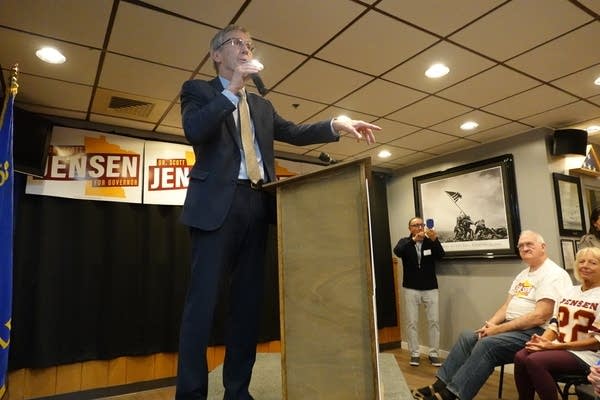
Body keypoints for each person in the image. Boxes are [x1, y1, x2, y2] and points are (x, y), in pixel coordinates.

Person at [175, 25, 380, 400]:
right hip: (215, 209)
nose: (245, 48)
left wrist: (336, 124)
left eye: (250, 45)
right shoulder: (198, 91)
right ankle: (190, 394)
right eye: (237, 42)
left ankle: (237, 391)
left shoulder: (262, 106)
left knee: (247, 308)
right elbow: (194, 130)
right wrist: (231, 88)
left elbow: (296, 132)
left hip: (257, 205)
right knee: (200, 308)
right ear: (216, 55)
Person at [411, 230, 572, 400]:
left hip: (538, 332)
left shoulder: (553, 274)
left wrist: (497, 330)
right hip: (513, 328)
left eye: (529, 244)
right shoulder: (523, 274)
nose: (524, 248)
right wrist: (489, 325)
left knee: (488, 344)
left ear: (542, 247)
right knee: (468, 336)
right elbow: (506, 306)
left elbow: (540, 316)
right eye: (521, 246)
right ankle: (440, 384)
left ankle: (452, 395)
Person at [513, 246, 600, 400]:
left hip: (588, 356)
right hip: (559, 347)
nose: (585, 266)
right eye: (581, 262)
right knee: (521, 356)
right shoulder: (568, 291)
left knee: (535, 361)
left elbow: (596, 343)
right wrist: (542, 341)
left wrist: (555, 346)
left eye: (593, 263)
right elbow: (555, 325)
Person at [393, 217, 445, 367]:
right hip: (411, 288)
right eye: (415, 225)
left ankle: (433, 353)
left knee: (434, 321)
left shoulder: (430, 241)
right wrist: (413, 241)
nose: (419, 227)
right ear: (410, 228)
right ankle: (414, 353)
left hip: (430, 288)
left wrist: (435, 240)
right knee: (412, 322)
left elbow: (441, 256)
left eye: (421, 225)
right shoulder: (405, 242)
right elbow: (398, 252)